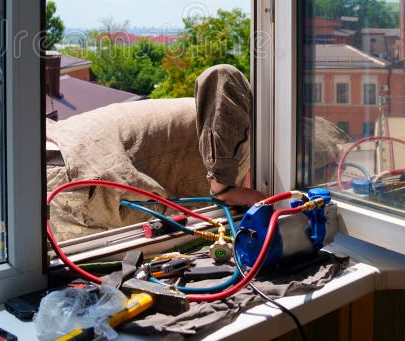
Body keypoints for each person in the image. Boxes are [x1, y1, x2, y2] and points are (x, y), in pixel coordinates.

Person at [45, 64, 267, 241]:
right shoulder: (244, 131)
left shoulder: (216, 182)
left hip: (61, 187)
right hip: (78, 165)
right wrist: (226, 188)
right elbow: (223, 76)